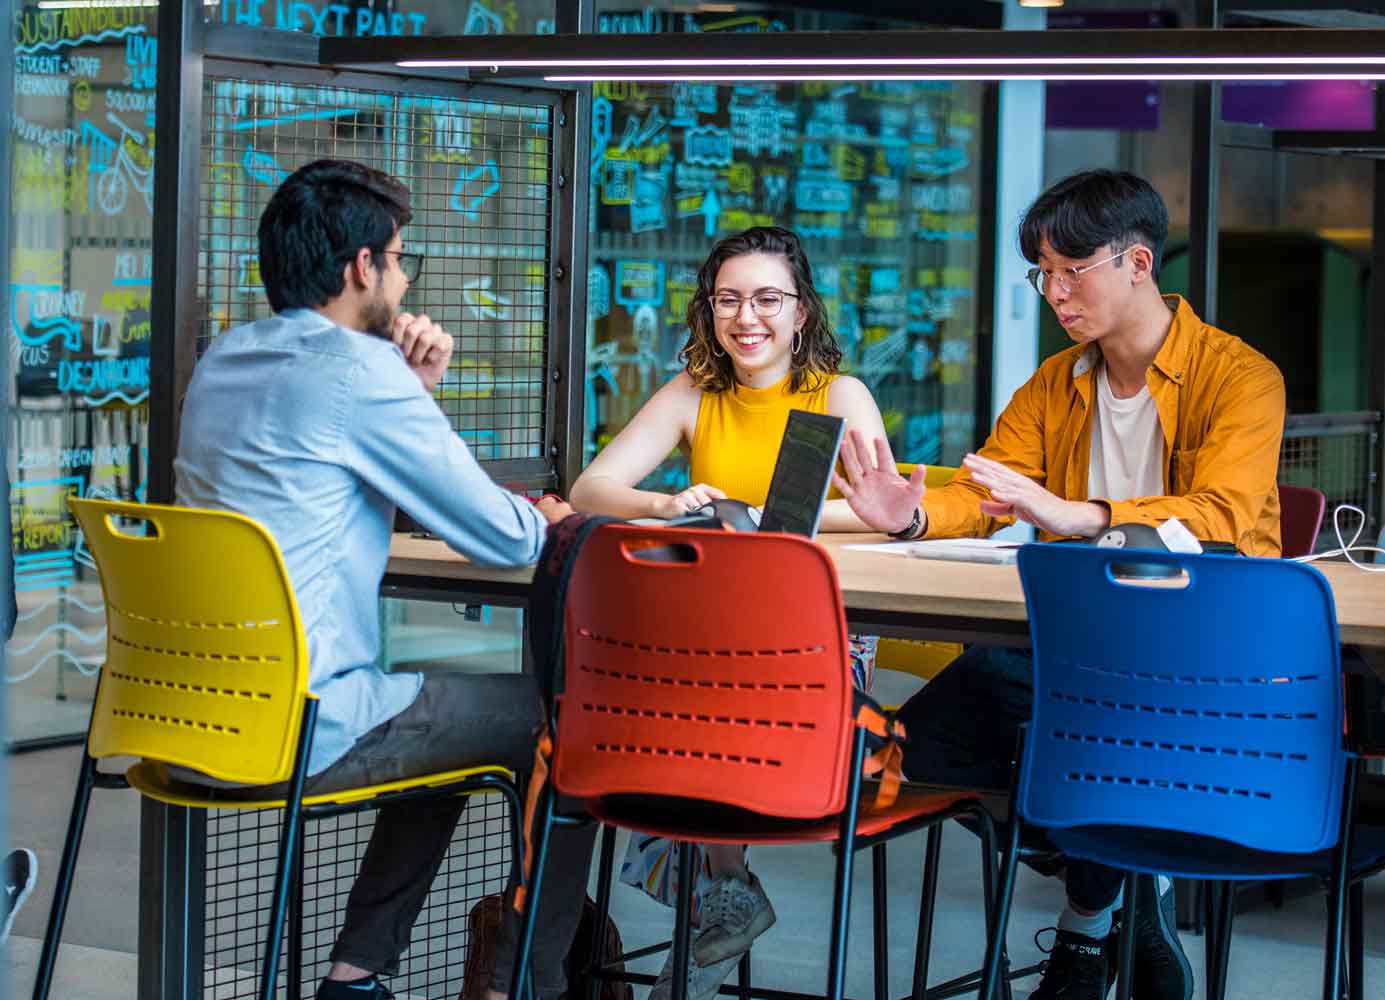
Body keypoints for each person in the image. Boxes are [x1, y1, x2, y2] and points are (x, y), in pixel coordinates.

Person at [832, 170, 1285, 1000]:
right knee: (922, 751)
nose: (1054, 292)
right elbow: (988, 491)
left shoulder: (1240, 377)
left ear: (1138, 262)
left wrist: (1078, 516)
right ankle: (1126, 885)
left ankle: (1081, 937)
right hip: (1078, 641)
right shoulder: (1056, 382)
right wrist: (906, 517)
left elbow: (1220, 514)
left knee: (1086, 735)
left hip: (1208, 649)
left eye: (1071, 270)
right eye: (1041, 273)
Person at [174, 159, 595, 1000]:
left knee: (439, 710)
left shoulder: (225, 356)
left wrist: (407, 397)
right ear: (362, 267)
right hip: (300, 725)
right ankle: (524, 985)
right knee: (566, 723)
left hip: (186, 719)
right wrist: (547, 512)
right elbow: (503, 535)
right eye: (402, 259)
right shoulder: (360, 374)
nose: (404, 280)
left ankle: (357, 976)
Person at [569, 225, 893, 1000]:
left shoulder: (837, 395)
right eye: (728, 300)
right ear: (708, 311)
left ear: (802, 311)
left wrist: (754, 513)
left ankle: (722, 899)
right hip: (712, 637)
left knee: (686, 705)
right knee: (625, 707)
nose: (747, 317)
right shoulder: (692, 391)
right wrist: (668, 500)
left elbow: (878, 511)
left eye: (767, 299)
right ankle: (726, 894)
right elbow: (590, 490)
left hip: (817, 643)